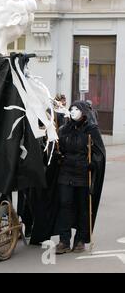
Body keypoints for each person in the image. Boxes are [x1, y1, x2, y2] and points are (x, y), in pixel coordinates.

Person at [55, 101, 106, 254]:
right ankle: (64, 241)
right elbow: (59, 148)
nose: (73, 111)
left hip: (83, 174)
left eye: (76, 109)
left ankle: (80, 240)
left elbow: (99, 152)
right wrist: (57, 155)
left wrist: (93, 164)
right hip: (66, 173)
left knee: (82, 207)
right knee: (65, 205)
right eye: (71, 109)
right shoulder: (64, 129)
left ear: (84, 112)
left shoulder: (91, 130)